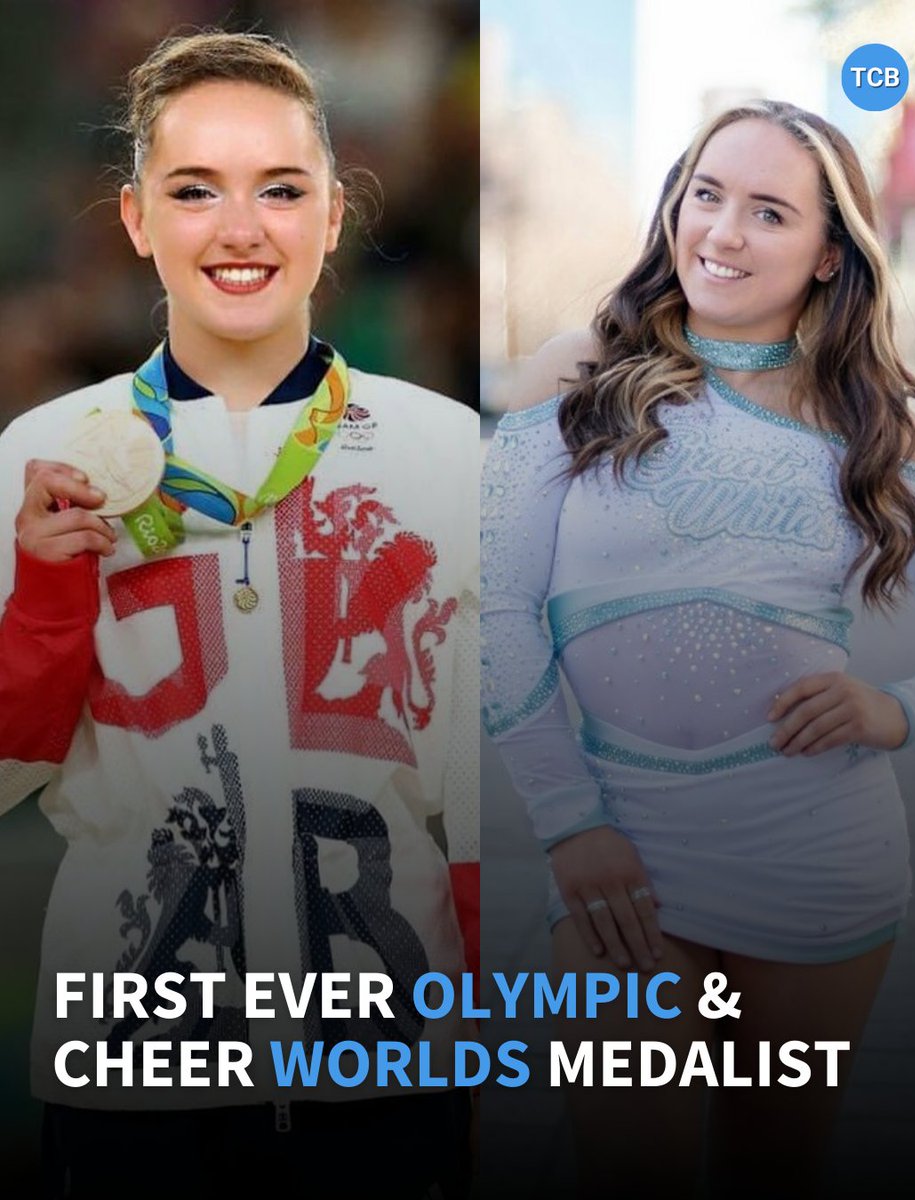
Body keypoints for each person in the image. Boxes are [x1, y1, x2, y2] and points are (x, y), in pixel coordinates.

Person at [0, 30, 477, 1198]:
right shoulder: (44, 456)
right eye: (194, 190)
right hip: (130, 1082)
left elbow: (482, 789)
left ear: (334, 215)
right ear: (135, 220)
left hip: (393, 1073)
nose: (240, 227)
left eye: (281, 189)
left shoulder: (447, 451)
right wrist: (49, 601)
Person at [480, 99, 915, 1196]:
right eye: (707, 194)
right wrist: (570, 825)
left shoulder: (877, 428)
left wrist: (900, 710)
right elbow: (497, 611)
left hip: (819, 858)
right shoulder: (575, 372)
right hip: (618, 855)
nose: (723, 232)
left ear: (830, 253)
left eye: (769, 211)